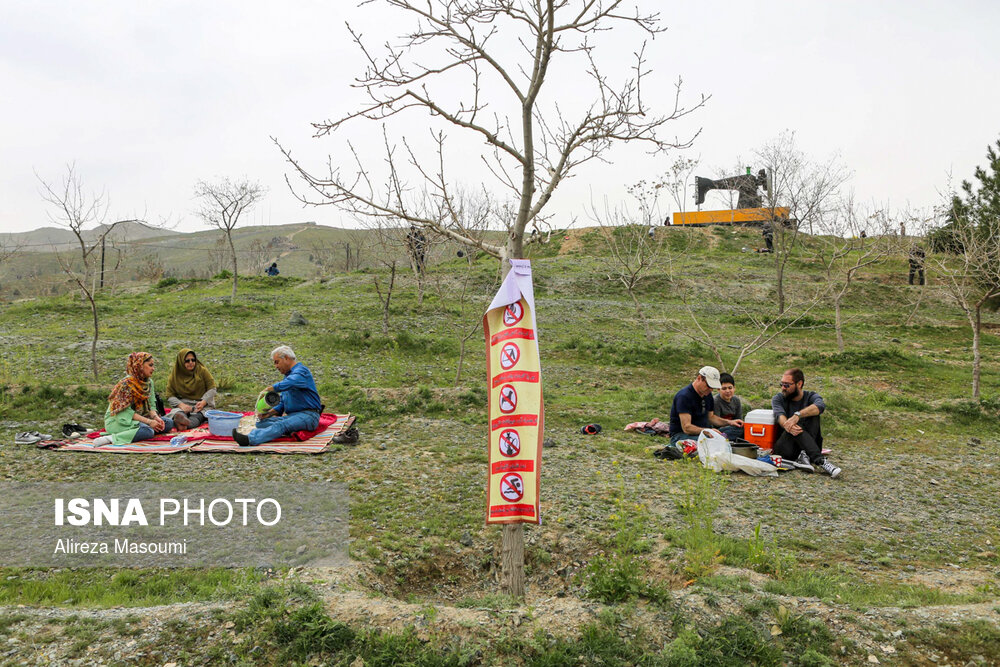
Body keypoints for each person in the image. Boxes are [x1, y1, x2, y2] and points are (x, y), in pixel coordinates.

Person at [231, 345, 321, 447]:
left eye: (277, 362)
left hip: (308, 416)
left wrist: (271, 388)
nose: (276, 366)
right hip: (293, 417)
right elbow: (282, 402)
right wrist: (269, 413)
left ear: (286, 358)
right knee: (261, 423)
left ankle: (250, 439)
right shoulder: (287, 378)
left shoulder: (301, 372)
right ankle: (290, 429)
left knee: (280, 425)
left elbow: (291, 382)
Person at [771, 368, 841, 478]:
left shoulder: (811, 396)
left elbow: (820, 406)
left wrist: (797, 415)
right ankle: (820, 461)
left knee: (812, 414)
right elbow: (780, 417)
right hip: (786, 447)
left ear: (799, 384)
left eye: (787, 385)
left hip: (809, 442)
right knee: (795, 425)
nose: (783, 388)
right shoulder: (778, 398)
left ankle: (805, 455)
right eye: (782, 384)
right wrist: (789, 424)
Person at [94, 352, 175, 445]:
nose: (153, 368)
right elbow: (126, 412)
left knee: (168, 423)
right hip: (119, 420)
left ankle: (137, 431)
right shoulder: (126, 384)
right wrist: (149, 421)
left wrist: (156, 418)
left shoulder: (149, 382)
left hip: (140, 418)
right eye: (150, 365)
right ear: (140, 366)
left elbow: (151, 404)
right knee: (148, 431)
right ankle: (111, 438)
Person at [667, 366, 743, 445]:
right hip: (682, 435)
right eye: (708, 386)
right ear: (699, 378)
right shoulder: (684, 396)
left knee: (740, 428)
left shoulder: (707, 395)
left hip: (705, 432)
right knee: (711, 441)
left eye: (713, 387)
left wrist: (730, 422)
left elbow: (711, 418)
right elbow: (686, 428)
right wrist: (707, 431)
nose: (710, 390)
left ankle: (721, 440)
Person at [165, 348, 217, 429]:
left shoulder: (202, 371)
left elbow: (212, 388)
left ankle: (186, 425)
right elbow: (169, 395)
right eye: (187, 361)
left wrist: (203, 402)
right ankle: (180, 420)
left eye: (193, 360)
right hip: (184, 403)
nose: (191, 363)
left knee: (198, 416)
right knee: (178, 412)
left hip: (202, 404)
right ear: (181, 362)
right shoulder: (175, 375)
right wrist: (181, 405)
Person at [713, 372, 747, 441]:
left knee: (745, 428)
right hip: (720, 430)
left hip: (734, 429)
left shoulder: (736, 400)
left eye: (730, 388)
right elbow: (716, 424)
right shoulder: (715, 401)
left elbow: (739, 420)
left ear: (734, 388)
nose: (728, 391)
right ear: (718, 389)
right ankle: (722, 439)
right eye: (724, 388)